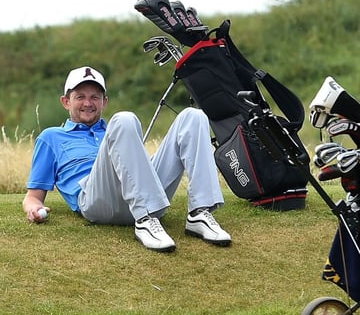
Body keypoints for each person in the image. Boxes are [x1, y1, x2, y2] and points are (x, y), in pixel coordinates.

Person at [23, 66, 232, 252]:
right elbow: (33, 197)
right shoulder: (51, 137)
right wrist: (33, 208)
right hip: (97, 202)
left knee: (194, 116)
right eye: (80, 97)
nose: (88, 103)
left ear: (104, 102)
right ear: (66, 101)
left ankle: (199, 212)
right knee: (124, 119)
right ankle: (144, 220)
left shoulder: (115, 130)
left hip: (141, 193)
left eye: (95, 97)